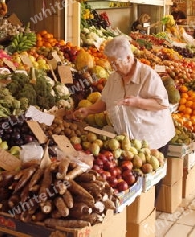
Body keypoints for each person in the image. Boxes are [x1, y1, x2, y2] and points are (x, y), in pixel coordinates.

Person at [73, 36, 175, 199]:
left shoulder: (147, 75)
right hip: (131, 138)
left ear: (128, 57)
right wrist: (89, 110)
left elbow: (161, 103)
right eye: (110, 63)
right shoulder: (114, 78)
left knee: (151, 177)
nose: (112, 66)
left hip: (153, 136)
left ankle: (149, 211)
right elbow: (105, 101)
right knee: (134, 176)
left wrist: (137, 101)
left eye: (115, 62)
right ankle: (139, 212)